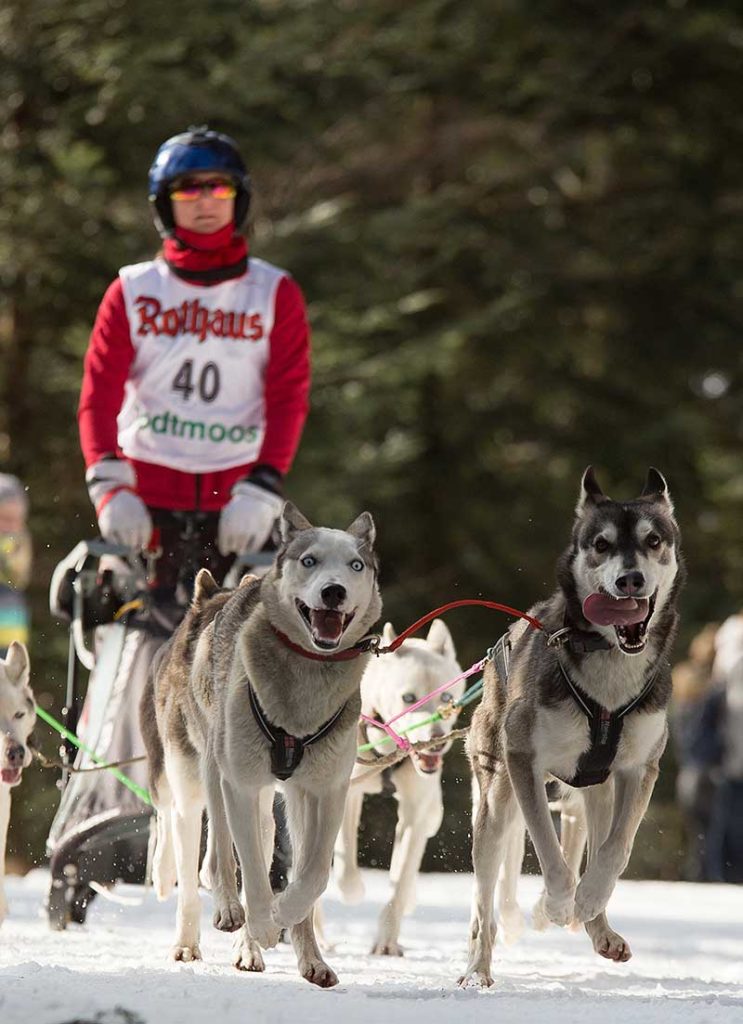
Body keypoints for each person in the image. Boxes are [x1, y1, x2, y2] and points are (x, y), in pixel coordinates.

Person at [78, 126, 310, 592]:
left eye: (218, 186)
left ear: (237, 198)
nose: (204, 201)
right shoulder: (133, 290)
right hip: (144, 508)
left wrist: (264, 485)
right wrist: (109, 487)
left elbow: (288, 396)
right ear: (165, 202)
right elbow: (98, 395)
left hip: (240, 506)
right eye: (187, 188)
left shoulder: (274, 292)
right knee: (118, 643)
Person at [0, 474, 31, 656]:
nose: (10, 526)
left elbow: (17, 575)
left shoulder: (18, 543)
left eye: (15, 520)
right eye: (4, 519)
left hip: (11, 635)